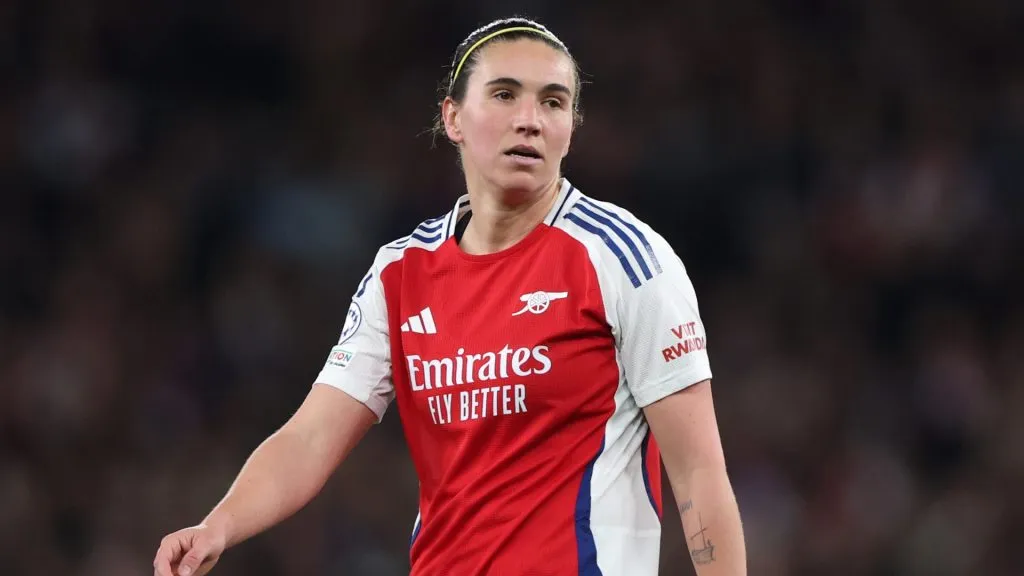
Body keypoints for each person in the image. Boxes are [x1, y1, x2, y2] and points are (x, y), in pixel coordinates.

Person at [153, 16, 746, 576]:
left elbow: (698, 474)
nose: (530, 119)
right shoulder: (401, 273)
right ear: (453, 117)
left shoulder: (625, 259)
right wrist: (219, 526)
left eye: (553, 101)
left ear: (570, 128)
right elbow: (309, 437)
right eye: (505, 94)